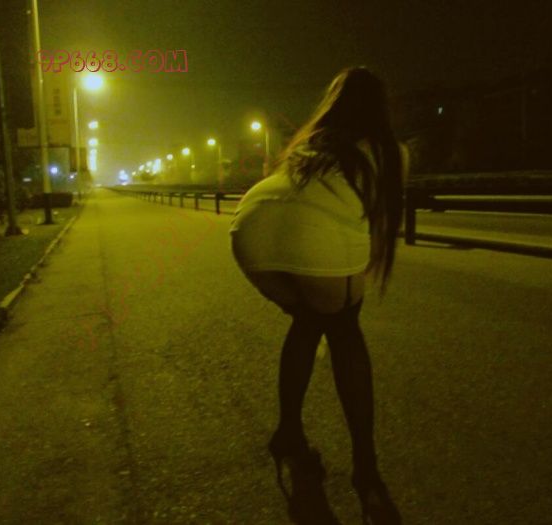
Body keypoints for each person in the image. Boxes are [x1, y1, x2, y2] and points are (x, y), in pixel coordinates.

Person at [229, 66, 407, 524]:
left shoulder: (308, 145)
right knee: (346, 333)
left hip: (250, 234)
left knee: (308, 322)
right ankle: (366, 469)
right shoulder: (388, 152)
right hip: (314, 240)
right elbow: (375, 232)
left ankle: (288, 433)